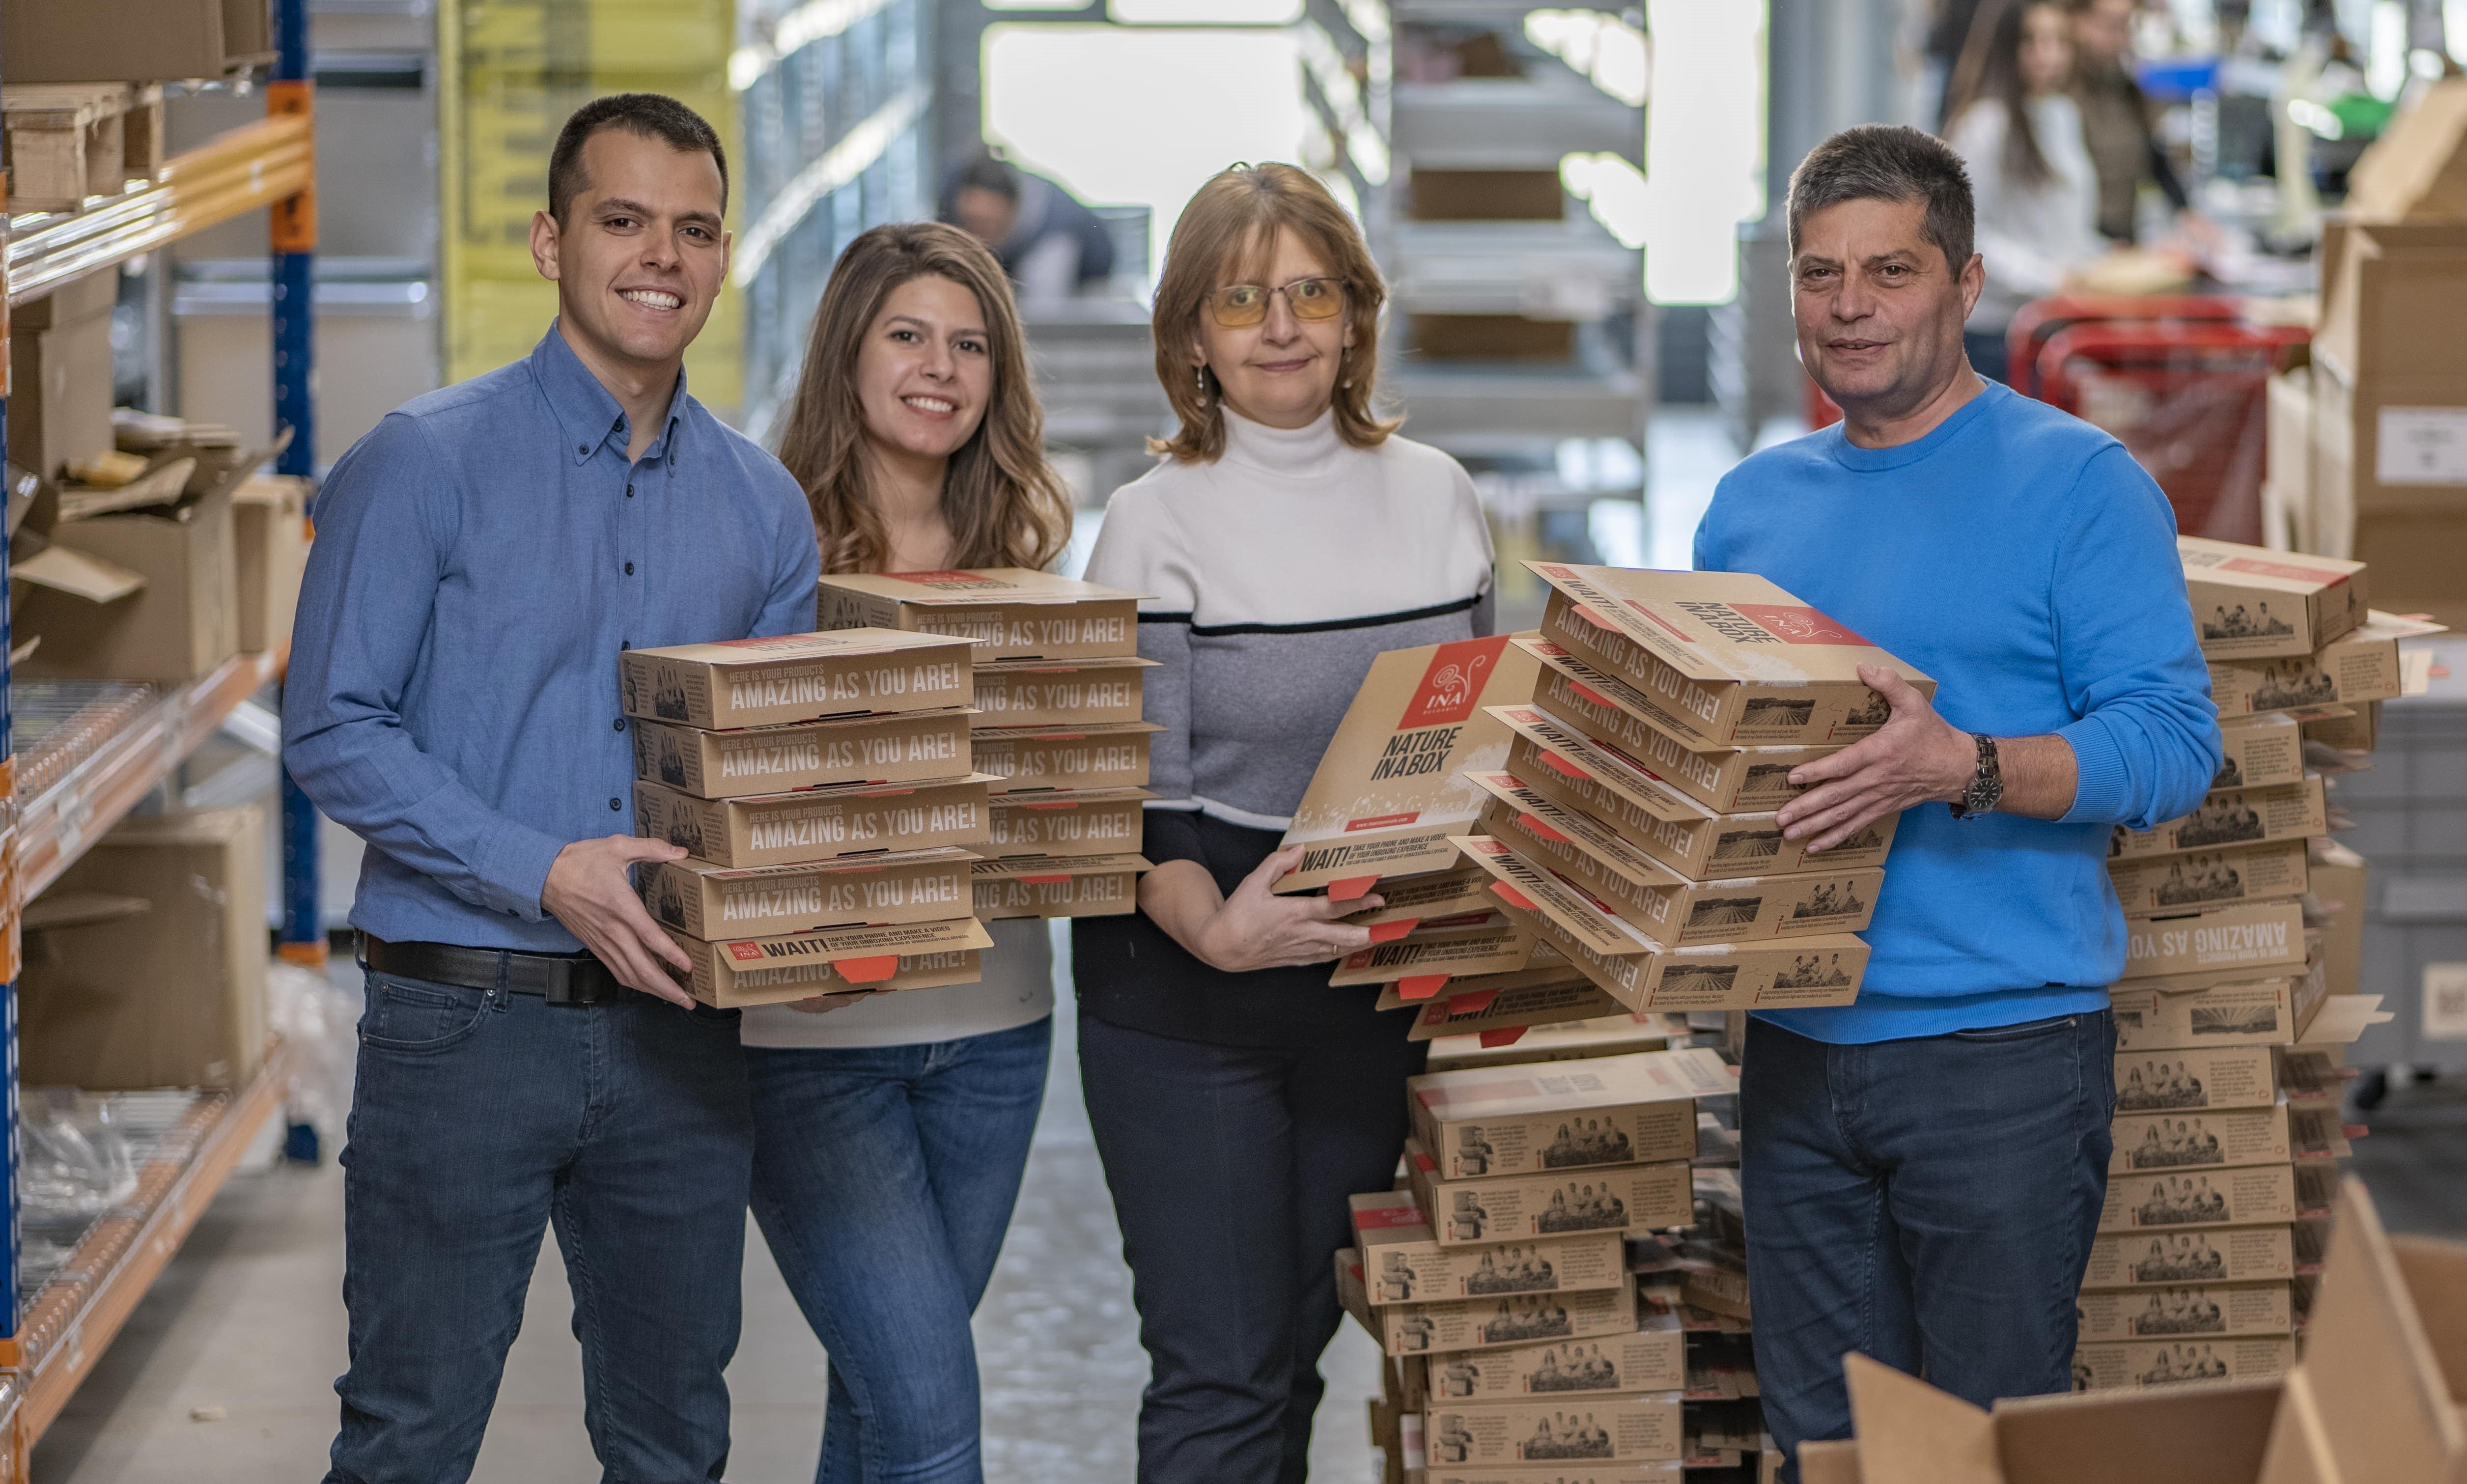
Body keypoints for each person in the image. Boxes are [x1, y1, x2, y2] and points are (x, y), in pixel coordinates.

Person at [284, 94, 819, 1480]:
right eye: (623, 219)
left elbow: (766, 785)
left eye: (693, 228)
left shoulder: (765, 510)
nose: (662, 256)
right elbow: (332, 727)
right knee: (409, 1431)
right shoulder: (423, 461)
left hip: (679, 1040)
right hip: (464, 1021)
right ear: (549, 240)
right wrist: (544, 867)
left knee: (673, 1440)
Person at [1690, 123, 2219, 1476]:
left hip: (2002, 1061)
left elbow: (2168, 748)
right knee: (1825, 1448)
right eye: (1820, 276)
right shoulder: (1743, 511)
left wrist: (1964, 765)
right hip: (1796, 1057)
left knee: (1986, 1451)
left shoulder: (2081, 486)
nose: (1850, 307)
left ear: (1963, 283)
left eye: (1889, 270)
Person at [1073, 161, 1496, 1483]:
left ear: (1356, 315)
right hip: (1186, 984)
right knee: (1220, 1368)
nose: (1278, 325)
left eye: (1310, 291)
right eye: (1240, 296)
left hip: (1368, 992)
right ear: (1190, 331)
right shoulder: (1152, 522)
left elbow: (1476, 729)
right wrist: (1215, 926)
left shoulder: (1435, 494)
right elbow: (1121, 787)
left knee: (1307, 1343)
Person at [753, 221, 1074, 1484]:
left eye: (969, 343)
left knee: (880, 1408)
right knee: (933, 1424)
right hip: (811, 1047)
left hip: (995, 1035)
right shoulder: (767, 549)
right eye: (906, 335)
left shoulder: (1027, 562)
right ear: (847, 352)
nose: (939, 367)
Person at [1941, 0, 2105, 379]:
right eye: (2033, 41)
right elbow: (1966, 237)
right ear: (2007, 47)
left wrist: (2103, 257)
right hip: (1998, 332)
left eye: (2059, 41)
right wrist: (2048, 277)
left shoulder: (2062, 114)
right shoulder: (1984, 125)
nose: (2049, 55)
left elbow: (2063, 225)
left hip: (2053, 321)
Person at [2068, 0, 2193, 243]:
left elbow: (2151, 153)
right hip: (2079, 245)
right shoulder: (2062, 96)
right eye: (2110, 26)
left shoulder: (2124, 86)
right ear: (2077, 22)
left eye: (2127, 27)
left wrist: (2184, 210)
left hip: (2123, 240)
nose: (2121, 40)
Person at [942, 150, 1118, 306]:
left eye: (989, 226)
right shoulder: (951, 196)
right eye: (970, 221)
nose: (977, 237)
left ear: (1014, 215)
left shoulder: (1052, 244)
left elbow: (1044, 323)